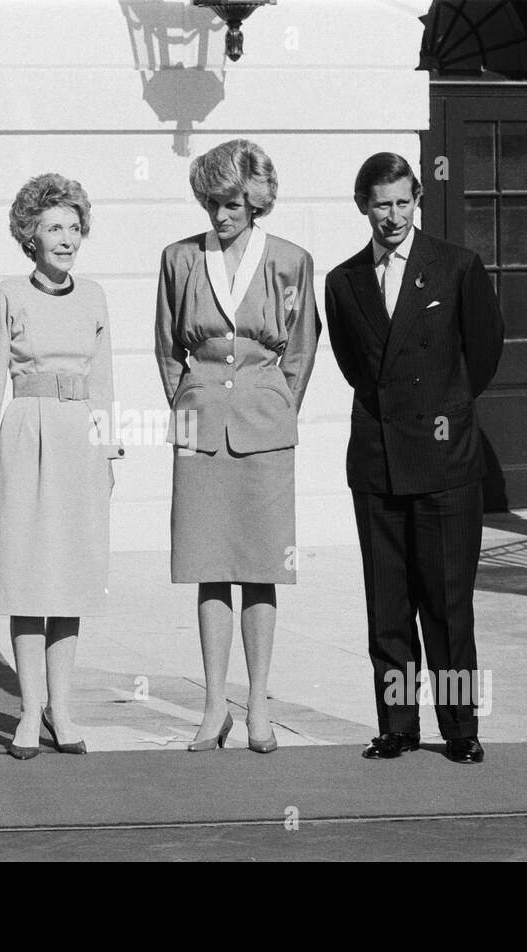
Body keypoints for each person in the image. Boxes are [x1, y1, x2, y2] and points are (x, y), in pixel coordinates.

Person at [324, 152, 503, 764]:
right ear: (363, 206)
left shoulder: (456, 266)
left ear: (417, 200)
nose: (393, 216)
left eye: (403, 202)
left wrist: (446, 417)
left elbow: (481, 354)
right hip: (377, 461)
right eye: (381, 204)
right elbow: (355, 365)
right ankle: (397, 725)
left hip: (445, 461)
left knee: (449, 606)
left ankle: (461, 728)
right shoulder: (343, 281)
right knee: (389, 606)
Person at [154, 139, 320, 755]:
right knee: (207, 568)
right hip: (200, 429)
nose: (220, 216)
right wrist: (190, 403)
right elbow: (168, 346)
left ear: (254, 201)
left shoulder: (291, 260)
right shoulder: (178, 259)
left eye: (230, 204)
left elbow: (301, 345)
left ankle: (257, 708)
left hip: (264, 426)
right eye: (211, 203)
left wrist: (275, 403)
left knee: (261, 567)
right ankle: (211, 707)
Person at [0, 173, 121, 760]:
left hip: (80, 437)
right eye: (53, 227)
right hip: (25, 436)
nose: (65, 238)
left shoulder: (96, 296)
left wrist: (108, 453)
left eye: (73, 227)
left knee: (72, 581)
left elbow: (105, 383)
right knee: (29, 577)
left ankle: (63, 708)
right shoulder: (9, 292)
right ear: (29, 235)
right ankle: (29, 711)